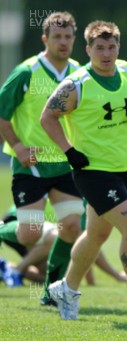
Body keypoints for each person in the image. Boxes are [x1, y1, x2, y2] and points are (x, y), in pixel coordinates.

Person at [40, 20, 127, 323]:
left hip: (123, 169)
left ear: (118, 47)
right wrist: (69, 151)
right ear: (88, 49)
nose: (106, 53)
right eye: (100, 47)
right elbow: (48, 117)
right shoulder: (76, 84)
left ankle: (67, 290)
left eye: (111, 47)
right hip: (91, 171)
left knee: (96, 234)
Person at [0, 11, 85, 304]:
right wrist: (18, 146)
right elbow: (2, 115)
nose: (63, 42)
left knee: (72, 228)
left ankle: (51, 291)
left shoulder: (80, 73)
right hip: (31, 165)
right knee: (29, 234)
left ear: (75, 39)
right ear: (45, 38)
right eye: (57, 36)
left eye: (68, 37)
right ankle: (2, 228)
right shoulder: (26, 72)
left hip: (66, 164)